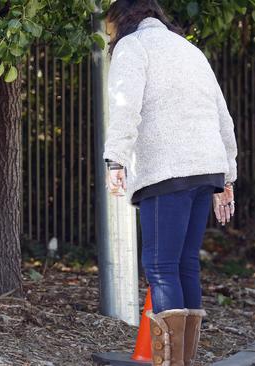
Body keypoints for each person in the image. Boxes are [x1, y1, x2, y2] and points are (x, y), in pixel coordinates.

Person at [102, 1, 238, 365]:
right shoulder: (190, 50)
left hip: (166, 168)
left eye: (108, 29)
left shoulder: (134, 47)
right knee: (185, 264)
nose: (109, 36)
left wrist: (115, 158)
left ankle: (170, 364)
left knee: (161, 267)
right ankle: (184, 361)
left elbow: (124, 105)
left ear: (121, 20)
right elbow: (223, 117)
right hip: (207, 167)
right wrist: (228, 176)